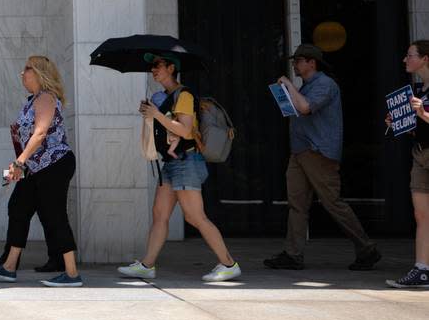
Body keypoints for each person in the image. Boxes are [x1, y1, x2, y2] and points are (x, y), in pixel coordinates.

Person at [117, 53, 242, 282]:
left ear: (171, 68)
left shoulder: (183, 94)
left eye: (157, 65)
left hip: (187, 161)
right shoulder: (165, 97)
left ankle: (228, 264)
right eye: (151, 66)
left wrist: (156, 114)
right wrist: (150, 115)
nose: (153, 70)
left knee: (195, 217)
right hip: (173, 163)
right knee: (159, 215)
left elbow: (185, 131)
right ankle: (147, 265)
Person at [264, 44, 381, 271]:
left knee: (332, 203)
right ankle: (292, 253)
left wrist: (288, 84)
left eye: (298, 60)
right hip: (300, 152)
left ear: (311, 63)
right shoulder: (306, 87)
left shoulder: (325, 84)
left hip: (318, 152)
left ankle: (367, 248)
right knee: (297, 204)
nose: (294, 65)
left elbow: (306, 108)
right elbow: (297, 109)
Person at [0, 56, 82, 286]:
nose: (22, 73)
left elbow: (41, 133)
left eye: (26, 69)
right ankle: (9, 266)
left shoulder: (46, 97)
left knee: (54, 215)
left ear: (38, 72)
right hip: (35, 167)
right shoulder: (32, 100)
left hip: (54, 164)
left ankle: (72, 273)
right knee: (18, 207)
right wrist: (20, 162)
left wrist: (19, 163)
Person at [386, 41, 429, 288]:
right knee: (421, 214)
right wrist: (400, 120)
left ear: (425, 58)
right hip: (420, 154)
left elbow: (424, 116)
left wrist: (422, 113)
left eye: (410, 55)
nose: (405, 60)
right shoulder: (417, 89)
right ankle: (422, 268)